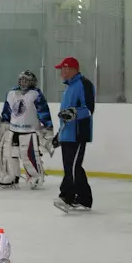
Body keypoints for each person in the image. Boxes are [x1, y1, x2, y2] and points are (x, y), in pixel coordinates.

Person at [0, 70, 53, 189]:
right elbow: (7, 109)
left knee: (28, 156)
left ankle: (35, 176)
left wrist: (48, 126)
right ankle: (12, 176)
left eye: (26, 80)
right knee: (9, 155)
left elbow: (43, 110)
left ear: (32, 82)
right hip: (12, 130)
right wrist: (4, 122)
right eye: (21, 79)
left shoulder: (36, 94)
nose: (23, 82)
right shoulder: (11, 93)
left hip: (30, 131)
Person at [52, 57, 95, 212]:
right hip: (67, 135)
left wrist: (74, 112)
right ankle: (84, 199)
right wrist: (59, 135)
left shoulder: (84, 84)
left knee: (73, 168)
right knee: (73, 167)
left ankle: (66, 197)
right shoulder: (69, 88)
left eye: (63, 69)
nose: (61, 73)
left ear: (70, 69)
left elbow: (89, 108)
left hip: (78, 134)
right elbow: (66, 117)